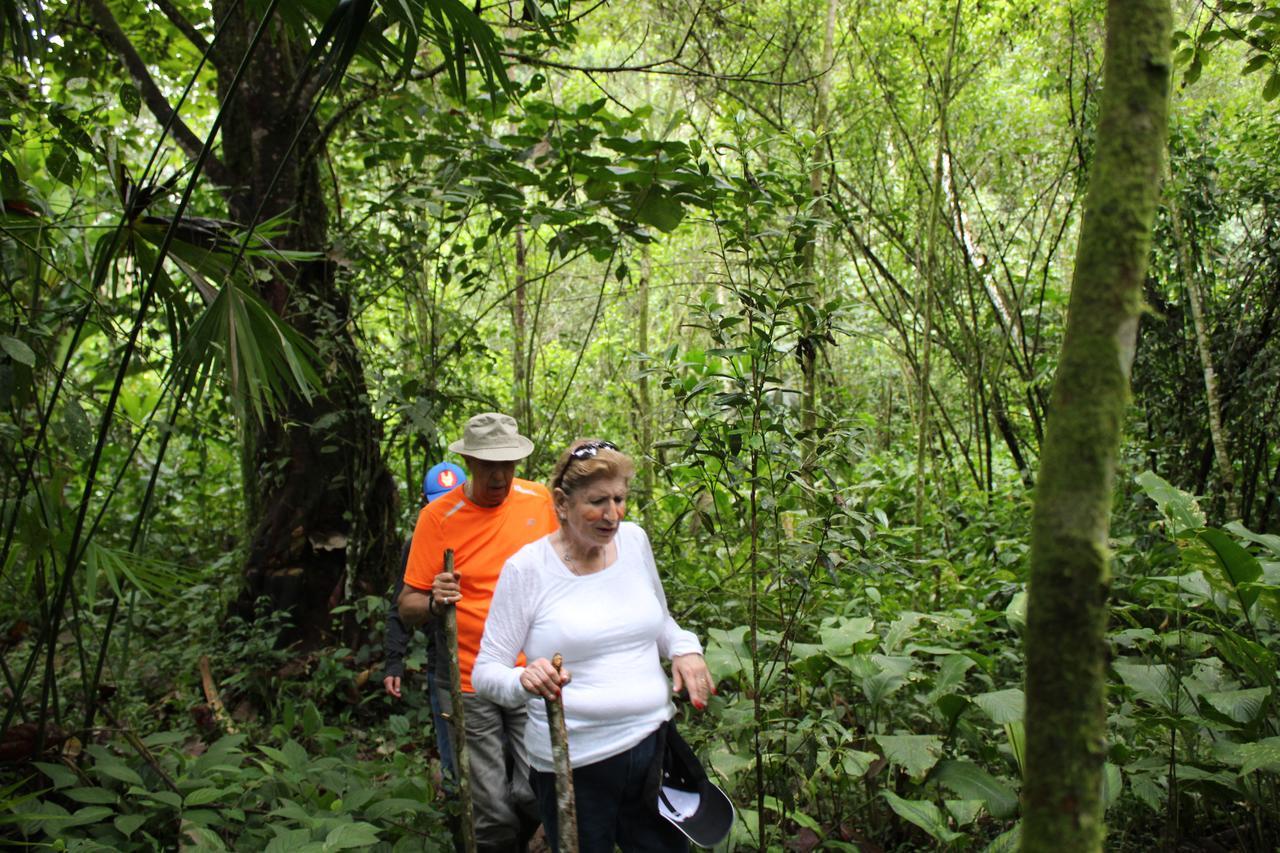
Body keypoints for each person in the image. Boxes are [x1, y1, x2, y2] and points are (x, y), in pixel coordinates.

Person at [472, 439, 714, 853]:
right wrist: (523, 679)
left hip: (652, 745)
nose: (612, 515)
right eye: (597, 501)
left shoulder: (635, 542)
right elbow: (486, 672)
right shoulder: (528, 569)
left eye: (619, 499)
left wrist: (684, 647)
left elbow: (661, 621)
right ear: (562, 503)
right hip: (574, 765)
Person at [399, 413, 557, 853]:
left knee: (535, 789)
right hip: (468, 681)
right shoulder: (438, 517)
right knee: (490, 807)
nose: (499, 475)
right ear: (467, 460)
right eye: (488, 464)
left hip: (531, 674)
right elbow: (407, 606)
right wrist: (434, 600)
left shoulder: (539, 500)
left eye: (508, 464)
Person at [383, 461, 467, 775]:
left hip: (489, 657)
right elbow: (401, 604)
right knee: (452, 752)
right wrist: (394, 660)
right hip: (442, 658)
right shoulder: (419, 541)